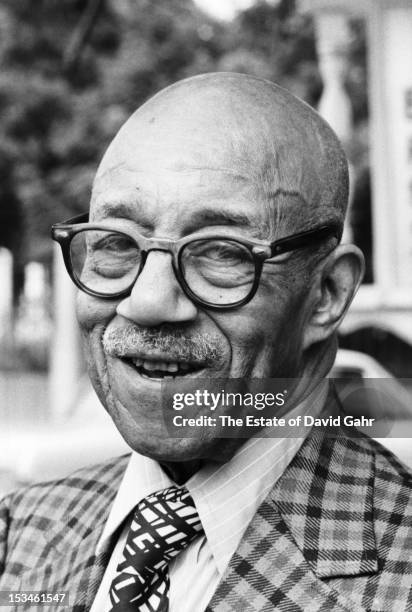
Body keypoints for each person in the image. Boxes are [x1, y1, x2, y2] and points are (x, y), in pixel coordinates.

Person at [1, 73, 412, 612]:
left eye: (221, 252)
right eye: (116, 244)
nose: (146, 302)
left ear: (326, 294)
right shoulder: (19, 537)